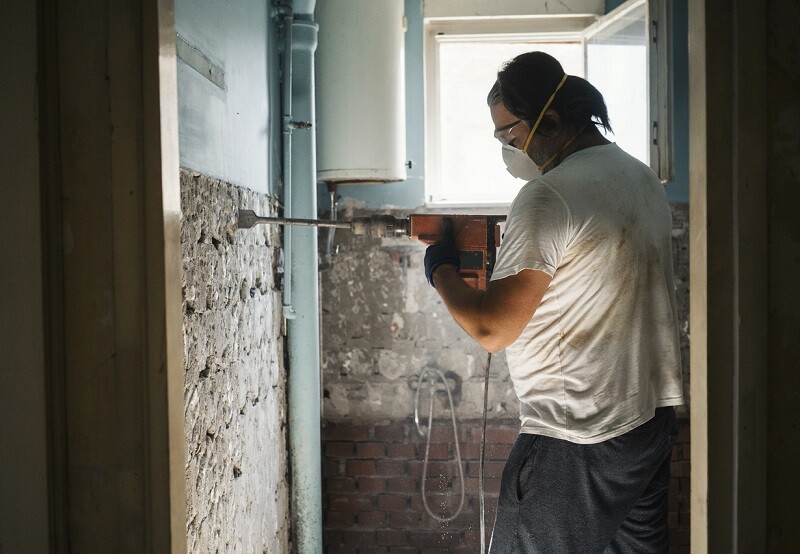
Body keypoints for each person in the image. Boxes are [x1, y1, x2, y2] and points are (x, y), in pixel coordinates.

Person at [423, 51, 684, 553]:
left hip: (576, 434)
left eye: (511, 135)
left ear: (554, 120)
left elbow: (492, 329)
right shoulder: (639, 176)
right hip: (645, 426)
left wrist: (443, 268)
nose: (509, 149)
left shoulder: (550, 196)